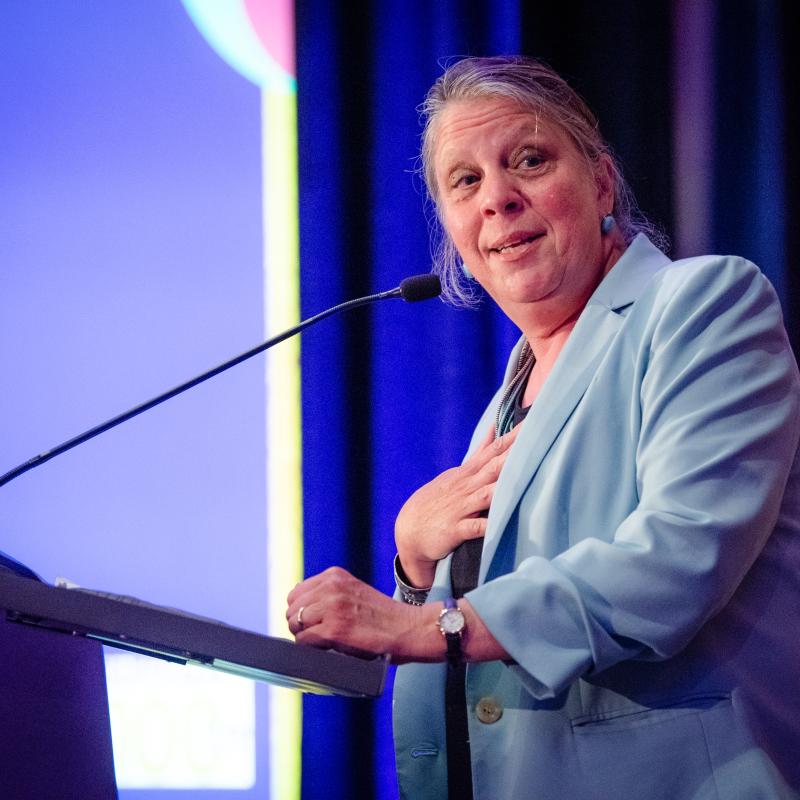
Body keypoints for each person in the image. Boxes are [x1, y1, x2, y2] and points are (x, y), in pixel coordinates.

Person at [286, 56, 800, 800]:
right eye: (464, 181)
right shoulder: (510, 398)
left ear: (600, 183)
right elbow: (478, 665)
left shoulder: (704, 304)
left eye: (528, 160)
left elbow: (677, 560)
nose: (497, 199)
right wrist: (412, 562)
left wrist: (423, 627)